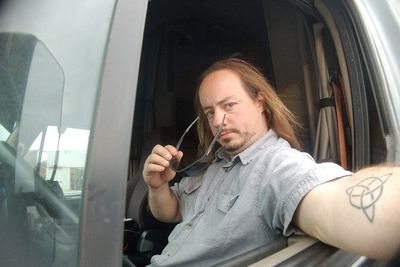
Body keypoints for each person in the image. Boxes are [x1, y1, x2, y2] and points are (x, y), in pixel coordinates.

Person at [143, 58, 400, 266]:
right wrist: (157, 187)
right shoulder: (211, 167)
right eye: (210, 112)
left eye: (229, 105)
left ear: (259, 102)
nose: (217, 121)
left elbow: (332, 200)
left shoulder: (277, 167)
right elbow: (172, 211)